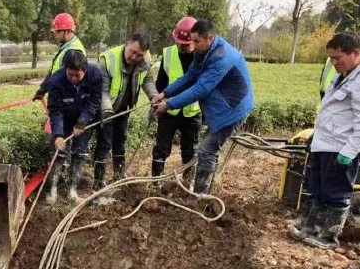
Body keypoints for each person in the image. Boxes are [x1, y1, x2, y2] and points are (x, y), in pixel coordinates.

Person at [290, 33, 360, 249]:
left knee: (335, 193)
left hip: (343, 147)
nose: (333, 63)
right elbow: (332, 109)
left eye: (337, 58)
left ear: (356, 53)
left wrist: (349, 152)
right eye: (331, 58)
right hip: (325, 143)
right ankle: (311, 229)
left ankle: (328, 237)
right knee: (317, 189)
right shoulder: (343, 72)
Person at [152, 19, 254, 195]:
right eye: (193, 40)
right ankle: (202, 193)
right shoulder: (203, 51)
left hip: (233, 109)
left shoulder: (222, 57)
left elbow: (201, 88)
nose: (194, 45)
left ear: (210, 38)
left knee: (206, 150)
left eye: (197, 41)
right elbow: (190, 76)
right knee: (208, 150)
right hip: (222, 106)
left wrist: (169, 105)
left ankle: (200, 196)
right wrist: (165, 93)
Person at [94, 32, 158, 189]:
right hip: (106, 109)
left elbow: (147, 79)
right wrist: (107, 111)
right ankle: (99, 181)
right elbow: (101, 91)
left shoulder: (145, 60)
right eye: (133, 52)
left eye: (139, 55)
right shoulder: (108, 60)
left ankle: (119, 174)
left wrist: (154, 96)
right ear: (126, 43)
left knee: (120, 141)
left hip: (124, 109)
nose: (135, 57)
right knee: (104, 143)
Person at [46, 50, 102, 204]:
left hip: (84, 119)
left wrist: (83, 121)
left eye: (77, 75)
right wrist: (57, 135)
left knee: (80, 153)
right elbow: (55, 110)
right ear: (65, 69)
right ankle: (53, 190)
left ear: (85, 70)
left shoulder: (95, 76)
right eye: (70, 74)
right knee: (58, 153)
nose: (73, 79)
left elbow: (94, 102)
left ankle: (72, 190)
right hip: (63, 119)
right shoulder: (56, 81)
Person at [152, 16, 202, 183]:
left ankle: (188, 184)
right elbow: (161, 83)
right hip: (169, 110)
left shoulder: (202, 56)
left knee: (190, 150)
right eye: (179, 42)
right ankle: (155, 182)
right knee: (161, 148)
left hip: (191, 112)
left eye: (186, 44)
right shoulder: (168, 53)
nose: (182, 46)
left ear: (195, 40)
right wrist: (158, 100)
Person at [33, 13, 86, 102]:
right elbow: (55, 73)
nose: (54, 33)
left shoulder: (74, 52)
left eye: (58, 31)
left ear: (68, 31)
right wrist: (42, 89)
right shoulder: (65, 48)